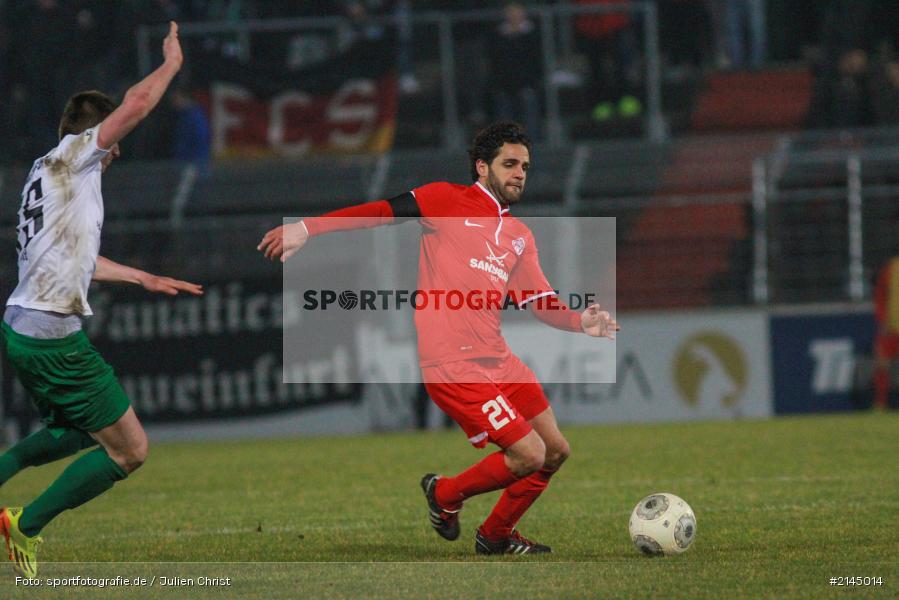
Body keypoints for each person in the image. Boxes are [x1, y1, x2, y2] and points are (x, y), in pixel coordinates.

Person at [258, 121, 619, 555]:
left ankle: (496, 536)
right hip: (453, 363)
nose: (520, 172)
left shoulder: (520, 237)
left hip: (499, 360)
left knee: (556, 451)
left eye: (524, 165)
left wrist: (581, 322)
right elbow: (378, 212)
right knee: (528, 454)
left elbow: (540, 302)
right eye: (509, 163)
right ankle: (445, 494)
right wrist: (307, 228)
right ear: (482, 167)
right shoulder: (446, 199)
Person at [0, 22, 202, 578]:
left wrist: (142, 278)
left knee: (77, 431)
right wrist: (170, 66)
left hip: (22, 328)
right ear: (97, 136)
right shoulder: (75, 159)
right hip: (49, 337)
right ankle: (24, 524)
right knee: (129, 450)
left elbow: (71, 260)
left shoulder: (45, 173)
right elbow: (137, 103)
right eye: (112, 142)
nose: (116, 153)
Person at [873, 257, 899, 410]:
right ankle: (880, 404)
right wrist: (882, 320)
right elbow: (880, 297)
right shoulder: (891, 268)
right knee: (882, 364)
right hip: (891, 328)